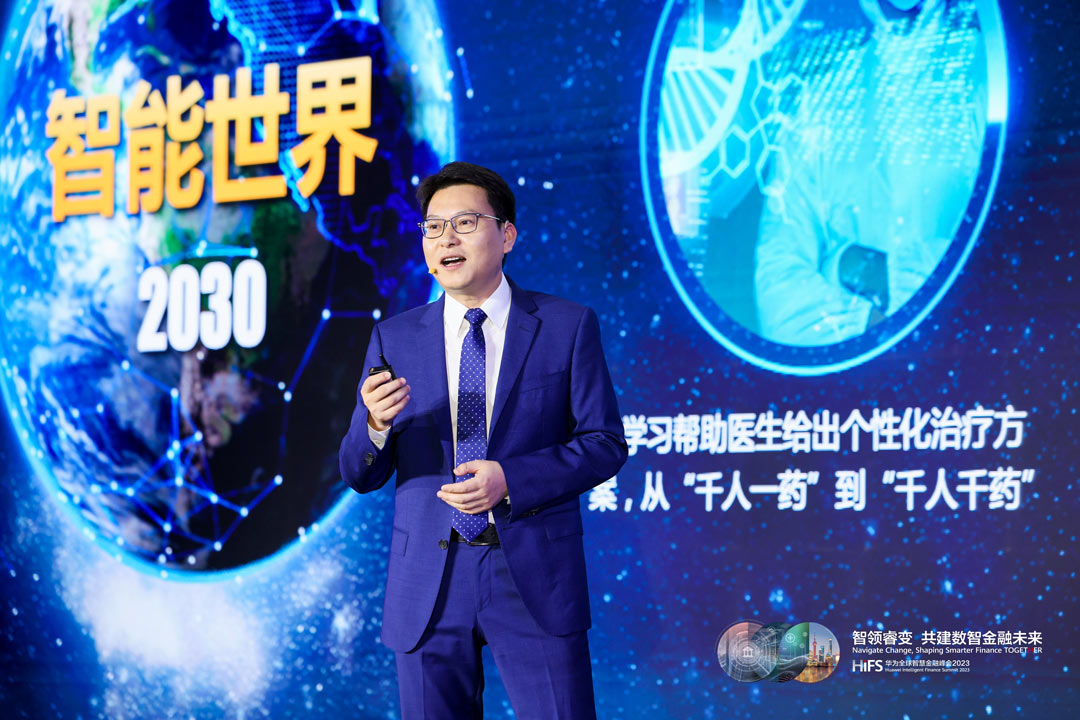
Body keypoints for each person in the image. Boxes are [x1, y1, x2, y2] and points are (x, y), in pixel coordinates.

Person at [338, 161, 628, 719]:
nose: (446, 239)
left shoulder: (566, 326)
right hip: (428, 581)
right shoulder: (394, 338)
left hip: (532, 572)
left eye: (465, 223)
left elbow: (604, 442)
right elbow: (358, 472)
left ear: (507, 235)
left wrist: (511, 480)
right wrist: (374, 425)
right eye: (433, 227)